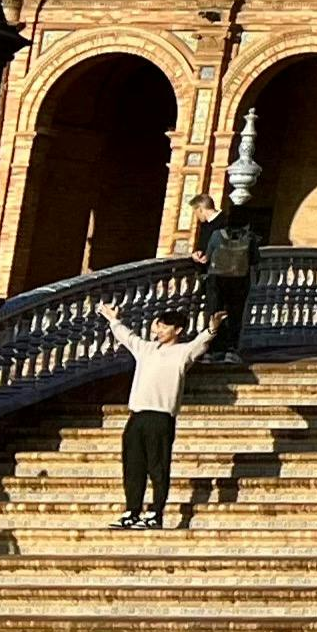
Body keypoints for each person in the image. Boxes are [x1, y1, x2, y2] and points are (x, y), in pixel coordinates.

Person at [94, 304, 211, 530]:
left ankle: (156, 512)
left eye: (164, 326)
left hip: (161, 417)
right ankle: (132, 510)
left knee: (158, 467)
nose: (158, 330)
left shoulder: (183, 352)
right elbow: (126, 336)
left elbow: (201, 343)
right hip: (137, 416)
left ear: (177, 330)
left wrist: (211, 330)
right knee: (133, 465)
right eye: (157, 325)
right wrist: (113, 319)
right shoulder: (146, 349)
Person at [194, 194, 259, 362]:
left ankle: (211, 350)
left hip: (217, 280)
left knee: (214, 313)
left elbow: (206, 257)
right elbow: (255, 260)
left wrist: (197, 257)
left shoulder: (217, 234)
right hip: (239, 280)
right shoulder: (250, 237)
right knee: (235, 315)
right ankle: (231, 350)